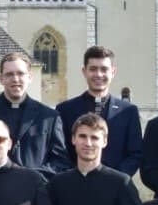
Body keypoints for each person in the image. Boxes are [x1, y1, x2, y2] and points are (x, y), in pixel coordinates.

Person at [0, 51, 69, 178]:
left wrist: (32, 177)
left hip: (35, 190)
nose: (15, 79)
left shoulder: (49, 117)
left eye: (20, 74)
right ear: (1, 79)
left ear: (30, 77)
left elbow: (60, 161)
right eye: (9, 74)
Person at [55, 46, 142, 176]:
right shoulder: (65, 110)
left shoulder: (128, 111)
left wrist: (113, 179)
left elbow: (135, 154)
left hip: (115, 187)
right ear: (84, 71)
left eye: (104, 69)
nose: (98, 74)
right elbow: (61, 152)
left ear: (113, 72)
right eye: (93, 69)